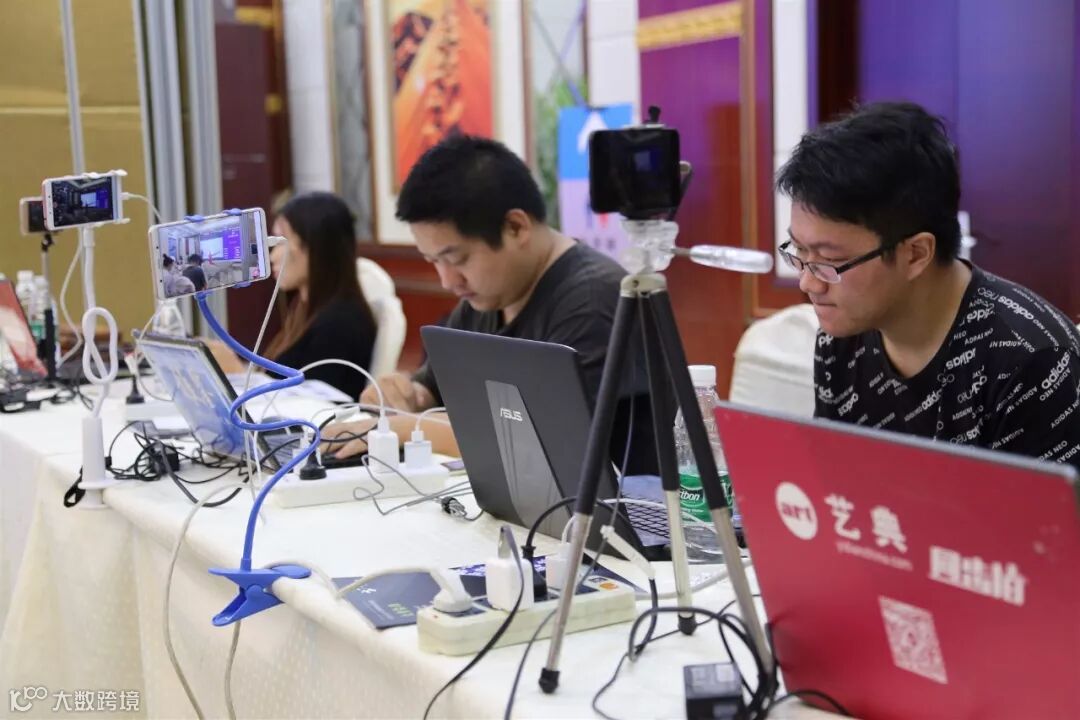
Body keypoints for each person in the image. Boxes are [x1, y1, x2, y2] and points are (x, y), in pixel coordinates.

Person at [776, 101, 1080, 473]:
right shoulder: (841, 338)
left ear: (916, 254)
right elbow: (836, 489)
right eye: (800, 251)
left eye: (829, 260)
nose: (808, 282)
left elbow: (1048, 512)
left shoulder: (1031, 359)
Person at [325, 135, 653, 473]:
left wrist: (403, 429)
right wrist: (409, 394)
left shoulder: (593, 300)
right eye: (433, 261)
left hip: (624, 500)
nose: (448, 281)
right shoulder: (489, 296)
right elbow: (432, 388)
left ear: (515, 227)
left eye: (458, 259)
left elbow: (539, 443)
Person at [210, 192, 377, 399]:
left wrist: (239, 375)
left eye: (282, 242)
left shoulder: (340, 325)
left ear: (315, 247)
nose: (272, 256)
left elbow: (317, 404)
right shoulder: (305, 309)